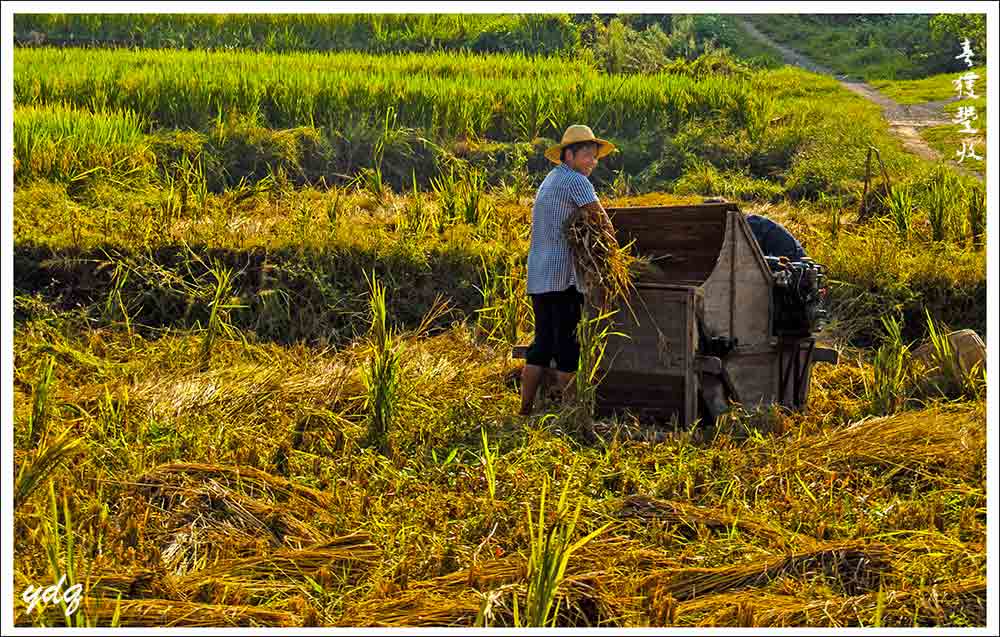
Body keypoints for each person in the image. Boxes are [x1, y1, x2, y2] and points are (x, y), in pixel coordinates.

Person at [519, 125, 616, 416]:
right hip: (563, 276)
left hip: (539, 274)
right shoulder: (576, 181)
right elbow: (603, 223)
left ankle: (525, 410)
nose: (592, 162)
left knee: (543, 342)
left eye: (595, 157)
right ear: (569, 155)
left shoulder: (550, 179)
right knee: (567, 346)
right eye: (587, 155)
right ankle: (573, 412)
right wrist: (615, 254)